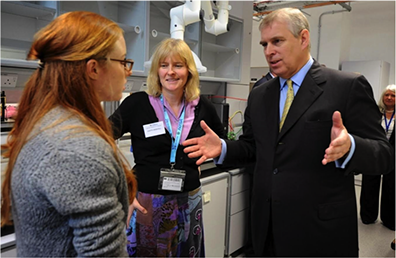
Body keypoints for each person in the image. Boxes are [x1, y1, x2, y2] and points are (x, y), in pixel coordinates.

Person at [182, 8, 394, 257]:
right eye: (264, 44)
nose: (269, 51)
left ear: (303, 39)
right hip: (267, 227)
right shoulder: (260, 95)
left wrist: (351, 147)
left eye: (277, 41)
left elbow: (384, 155)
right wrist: (223, 148)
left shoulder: (345, 86)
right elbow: (252, 147)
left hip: (320, 232)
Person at [0, 11, 137, 257]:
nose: (128, 71)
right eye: (123, 61)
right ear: (93, 68)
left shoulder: (51, 122)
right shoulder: (77, 149)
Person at [108, 38, 225, 257]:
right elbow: (101, 138)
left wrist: (204, 156)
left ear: (188, 71)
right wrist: (124, 185)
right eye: (164, 65)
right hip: (147, 202)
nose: (170, 72)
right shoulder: (138, 104)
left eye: (178, 65)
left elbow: (221, 142)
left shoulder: (202, 106)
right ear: (157, 71)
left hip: (189, 201)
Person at [360, 84, 395, 230]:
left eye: (393, 95)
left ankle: (390, 219)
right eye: (386, 95)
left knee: (392, 187)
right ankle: (368, 216)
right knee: (369, 184)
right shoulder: (375, 113)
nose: (389, 98)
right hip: (374, 153)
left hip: (393, 155)